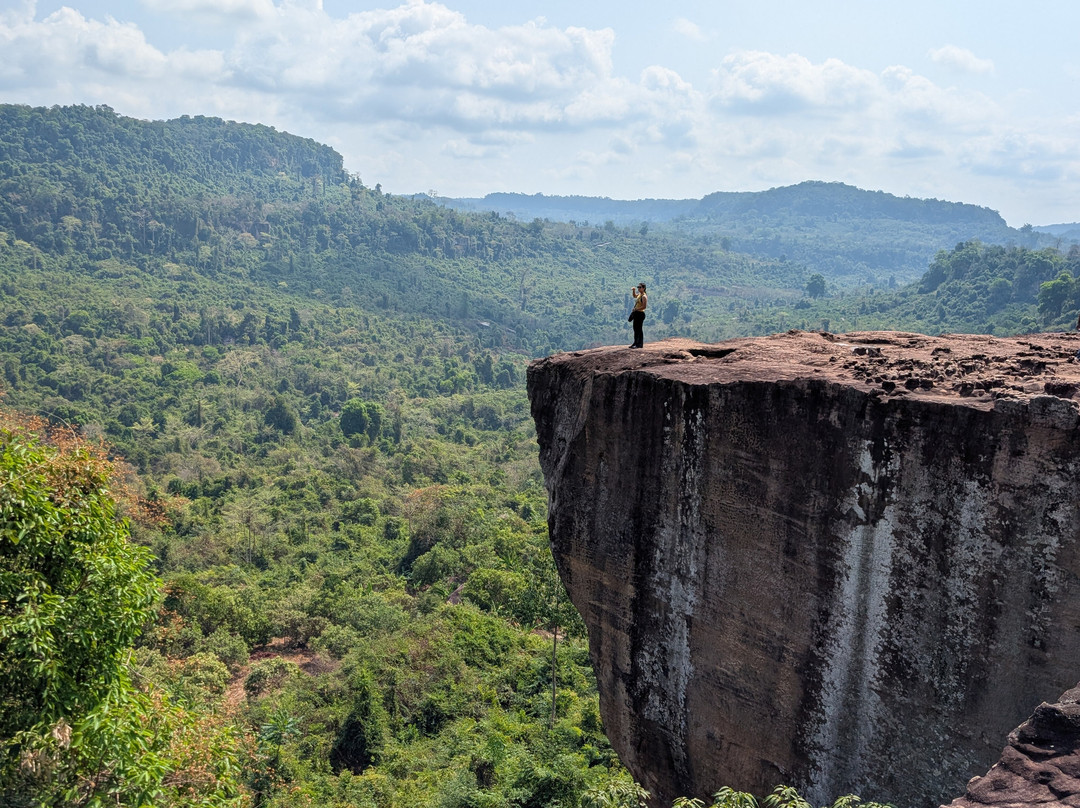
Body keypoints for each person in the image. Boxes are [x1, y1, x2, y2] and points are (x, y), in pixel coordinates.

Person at [628, 282, 647, 348]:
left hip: (640, 314)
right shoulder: (640, 295)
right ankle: (635, 343)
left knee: (639, 329)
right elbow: (634, 296)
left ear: (643, 288)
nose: (638, 288)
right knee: (635, 328)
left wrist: (636, 309)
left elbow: (644, 306)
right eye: (638, 287)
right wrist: (633, 290)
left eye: (640, 287)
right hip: (636, 313)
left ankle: (639, 344)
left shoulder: (644, 296)